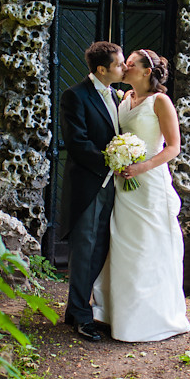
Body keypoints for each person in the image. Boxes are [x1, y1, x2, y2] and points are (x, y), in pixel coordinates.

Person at [92, 48, 190, 342]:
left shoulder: (161, 101)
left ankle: (152, 317)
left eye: (131, 64)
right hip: (125, 183)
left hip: (149, 183)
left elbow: (173, 147)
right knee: (123, 245)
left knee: (149, 246)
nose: (125, 66)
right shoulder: (124, 98)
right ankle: (118, 313)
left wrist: (143, 166)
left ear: (147, 72)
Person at [59, 41, 126, 342]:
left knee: (99, 247)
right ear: (102, 69)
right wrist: (111, 161)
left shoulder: (116, 95)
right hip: (88, 183)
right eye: (119, 63)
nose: (124, 67)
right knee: (84, 249)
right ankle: (81, 316)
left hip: (112, 184)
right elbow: (77, 143)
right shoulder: (74, 96)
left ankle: (77, 309)